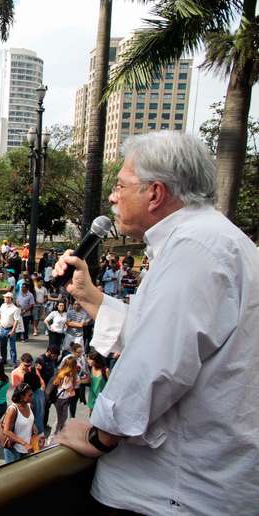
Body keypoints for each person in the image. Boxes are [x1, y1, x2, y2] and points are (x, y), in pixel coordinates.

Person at [53, 132, 259, 514]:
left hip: (172, 493)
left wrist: (101, 435)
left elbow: (157, 363)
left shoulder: (194, 248)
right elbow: (166, 336)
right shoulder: (214, 239)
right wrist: (90, 297)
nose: (112, 197)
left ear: (156, 193)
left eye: (120, 185)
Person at [0, 383, 41, 464]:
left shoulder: (28, 405)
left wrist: (33, 427)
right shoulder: (13, 409)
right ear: (22, 397)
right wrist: (24, 443)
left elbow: (29, 420)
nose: (32, 397)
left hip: (27, 448)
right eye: (30, 395)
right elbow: (6, 431)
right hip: (14, 450)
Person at [52, 356, 77, 435]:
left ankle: (59, 433)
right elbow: (67, 388)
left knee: (63, 417)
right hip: (60, 399)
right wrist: (70, 387)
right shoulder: (65, 376)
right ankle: (54, 435)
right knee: (61, 418)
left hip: (64, 398)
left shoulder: (67, 374)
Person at [0, 292, 21, 365]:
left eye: (6, 297)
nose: (4, 298)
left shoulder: (15, 309)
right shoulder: (3, 305)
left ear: (10, 299)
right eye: (4, 297)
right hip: (3, 328)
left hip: (10, 329)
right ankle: (3, 359)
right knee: (2, 346)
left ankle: (13, 361)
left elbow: (16, 320)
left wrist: (13, 330)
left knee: (12, 347)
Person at [86, 351, 110, 416]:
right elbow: (89, 381)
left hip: (101, 397)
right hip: (92, 395)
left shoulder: (105, 370)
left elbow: (110, 385)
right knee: (91, 415)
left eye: (89, 359)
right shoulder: (91, 368)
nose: (87, 360)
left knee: (100, 416)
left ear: (95, 360)